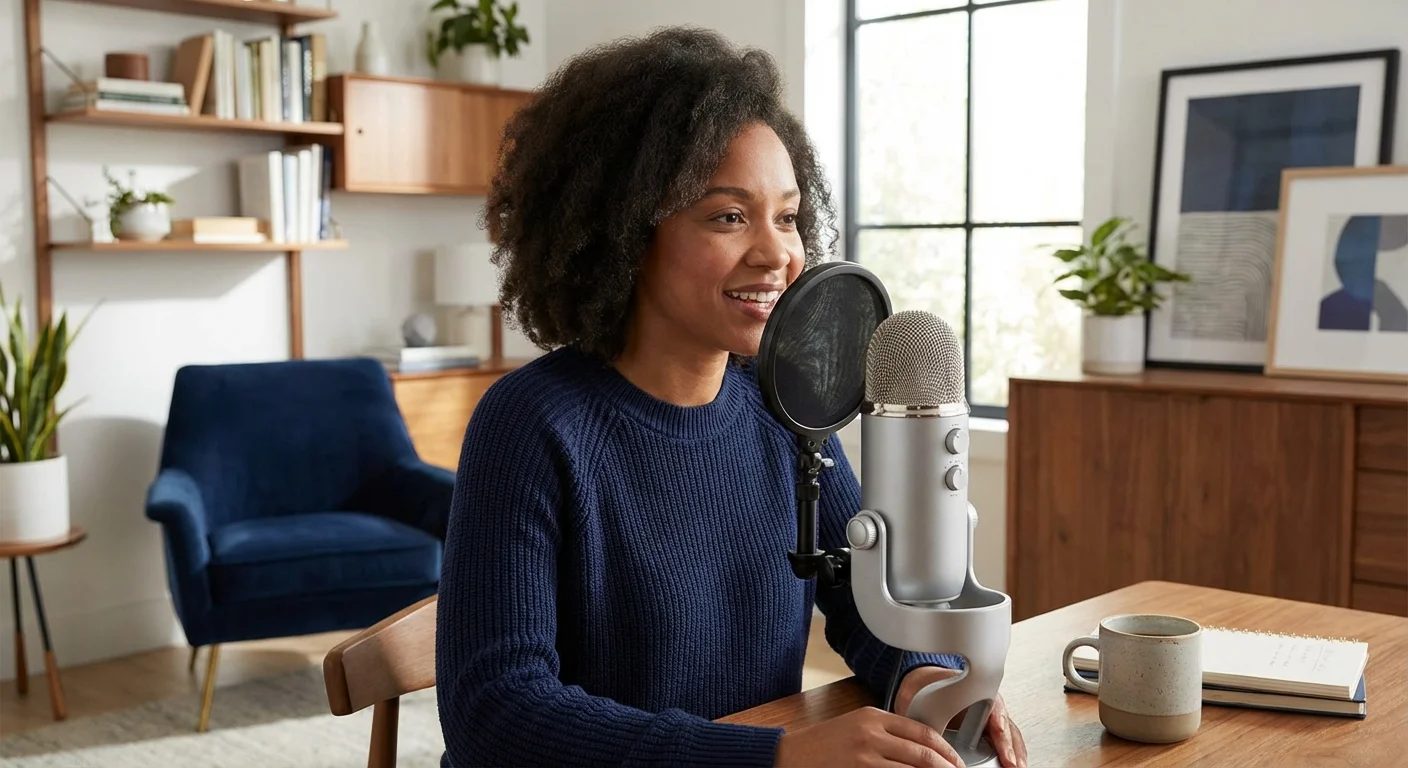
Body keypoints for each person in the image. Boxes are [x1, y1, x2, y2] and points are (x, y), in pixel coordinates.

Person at [435, 26, 1028, 768]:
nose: (777, 253)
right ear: (621, 232)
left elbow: (859, 596)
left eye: (786, 216)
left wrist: (921, 678)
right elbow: (496, 712)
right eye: (727, 216)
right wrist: (774, 757)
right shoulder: (530, 423)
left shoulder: (784, 405)